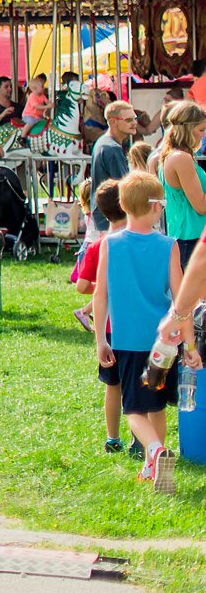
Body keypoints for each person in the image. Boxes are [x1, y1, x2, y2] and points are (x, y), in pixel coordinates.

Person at [93, 170, 184, 493]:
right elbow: (178, 295)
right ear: (157, 207)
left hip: (127, 340)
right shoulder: (169, 245)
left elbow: (99, 294)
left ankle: (156, 451)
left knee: (133, 410)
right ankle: (154, 466)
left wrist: (101, 338)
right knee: (155, 405)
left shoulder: (110, 245)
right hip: (163, 343)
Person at [72, 180, 132, 453]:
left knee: (113, 385)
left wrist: (103, 287)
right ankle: (140, 439)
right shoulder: (138, 242)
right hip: (135, 325)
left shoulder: (98, 246)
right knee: (138, 383)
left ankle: (112, 437)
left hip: (108, 327)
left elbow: (81, 286)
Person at [150, 100, 206, 268]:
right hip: (190, 239)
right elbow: (201, 206)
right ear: (188, 128)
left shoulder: (174, 155)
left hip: (187, 237)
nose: (203, 135)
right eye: (201, 129)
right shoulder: (181, 158)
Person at [89, 102, 138, 234]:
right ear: (112, 122)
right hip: (112, 218)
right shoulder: (112, 148)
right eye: (128, 120)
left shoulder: (103, 142)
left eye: (135, 118)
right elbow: (124, 186)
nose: (134, 123)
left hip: (104, 214)